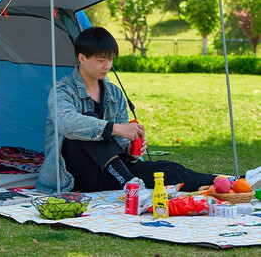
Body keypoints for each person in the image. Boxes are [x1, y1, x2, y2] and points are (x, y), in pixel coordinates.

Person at [36, 26, 261, 194]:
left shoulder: (113, 93)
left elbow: (119, 141)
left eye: (111, 60)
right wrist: (116, 129)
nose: (108, 66)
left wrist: (131, 149)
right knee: (88, 123)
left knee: (167, 170)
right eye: (102, 60)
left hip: (112, 173)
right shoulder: (63, 90)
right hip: (74, 177)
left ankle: (235, 181)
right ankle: (132, 186)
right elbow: (67, 123)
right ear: (82, 58)